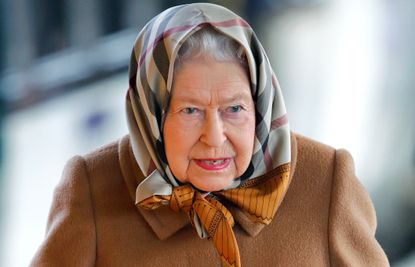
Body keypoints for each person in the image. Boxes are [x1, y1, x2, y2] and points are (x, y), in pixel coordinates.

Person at [30, 3, 389, 266]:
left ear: (260, 103)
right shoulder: (93, 187)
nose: (214, 137)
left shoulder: (326, 177)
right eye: (190, 111)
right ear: (152, 115)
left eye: (234, 109)